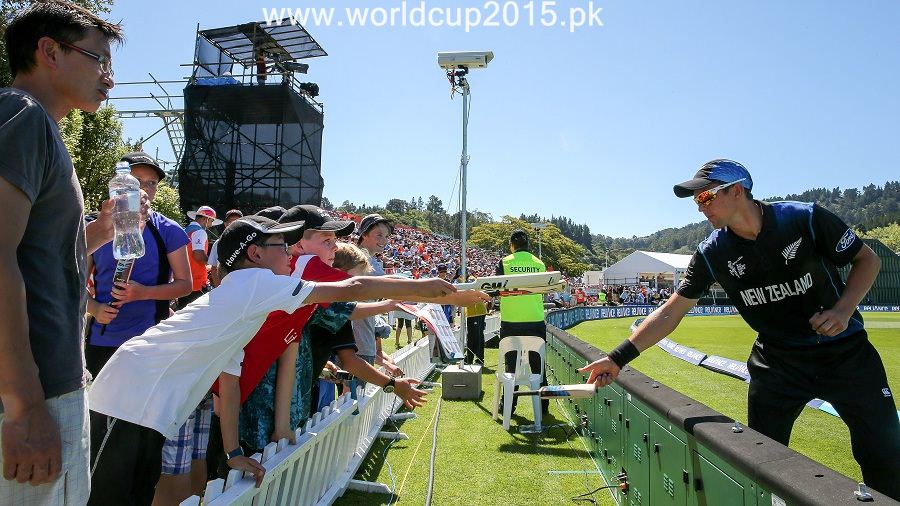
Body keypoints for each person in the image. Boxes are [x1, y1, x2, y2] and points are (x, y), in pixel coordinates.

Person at [88, 215, 489, 494]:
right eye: (281, 245)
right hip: (127, 395)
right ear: (255, 255)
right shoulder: (256, 284)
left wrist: (233, 455)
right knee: (110, 497)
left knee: (134, 493)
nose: (291, 253)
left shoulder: (244, 303)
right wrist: (432, 288)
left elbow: (228, 388)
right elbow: (352, 289)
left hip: (144, 402)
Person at [579, 159, 900, 500]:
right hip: (778, 363)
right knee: (760, 464)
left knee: (885, 457)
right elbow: (672, 312)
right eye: (696, 201)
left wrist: (843, 308)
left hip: (847, 356)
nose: (699, 208)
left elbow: (869, 260)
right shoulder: (712, 253)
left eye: (705, 197)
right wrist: (617, 358)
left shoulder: (804, 218)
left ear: (737, 190)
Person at [0, 3, 122, 504]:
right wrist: (24, 403)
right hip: (36, 393)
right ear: (49, 51)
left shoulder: (37, 126)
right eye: (99, 60)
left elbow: (35, 252)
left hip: (48, 384)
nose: (110, 80)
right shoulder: (22, 114)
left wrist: (97, 232)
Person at [495, 229, 549, 414]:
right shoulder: (539, 263)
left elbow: (495, 290)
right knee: (538, 366)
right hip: (535, 320)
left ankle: (508, 406)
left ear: (512, 245)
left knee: (511, 367)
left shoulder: (505, 262)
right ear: (528, 245)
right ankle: (543, 408)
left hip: (511, 321)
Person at [179, 205, 222, 308]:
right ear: (205, 219)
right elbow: (198, 255)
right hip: (196, 281)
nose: (211, 225)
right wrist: (211, 263)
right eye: (211, 221)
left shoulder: (186, 230)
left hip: (184, 279)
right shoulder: (200, 232)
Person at [208, 209, 243, 287]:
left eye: (237, 222)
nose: (234, 225)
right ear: (225, 224)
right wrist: (218, 288)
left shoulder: (251, 243)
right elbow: (214, 268)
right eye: (230, 222)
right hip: (224, 288)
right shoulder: (218, 243)